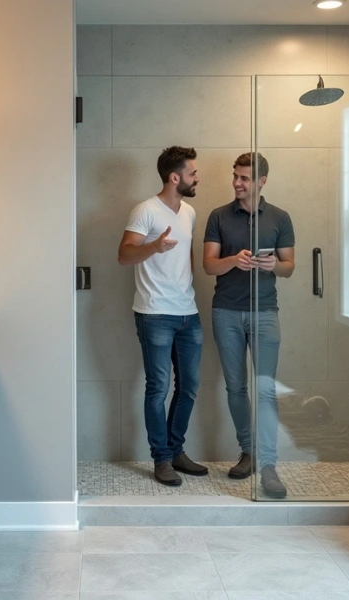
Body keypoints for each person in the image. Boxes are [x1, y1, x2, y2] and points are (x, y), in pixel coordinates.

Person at [202, 152, 295, 498]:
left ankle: (269, 466)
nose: (237, 183)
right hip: (226, 312)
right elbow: (209, 265)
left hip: (265, 312)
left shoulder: (280, 217)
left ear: (261, 181)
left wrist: (273, 266)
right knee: (235, 388)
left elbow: (289, 267)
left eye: (244, 178)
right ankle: (248, 452)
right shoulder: (218, 216)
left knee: (266, 389)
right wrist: (233, 260)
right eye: (236, 176)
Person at [117, 145, 208, 487]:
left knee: (189, 387)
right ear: (174, 177)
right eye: (192, 173)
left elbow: (187, 256)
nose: (197, 177)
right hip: (155, 313)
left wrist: (188, 287)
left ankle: (176, 450)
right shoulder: (145, 210)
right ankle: (162, 458)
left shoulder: (190, 212)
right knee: (158, 388)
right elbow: (124, 255)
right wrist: (154, 246)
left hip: (188, 313)